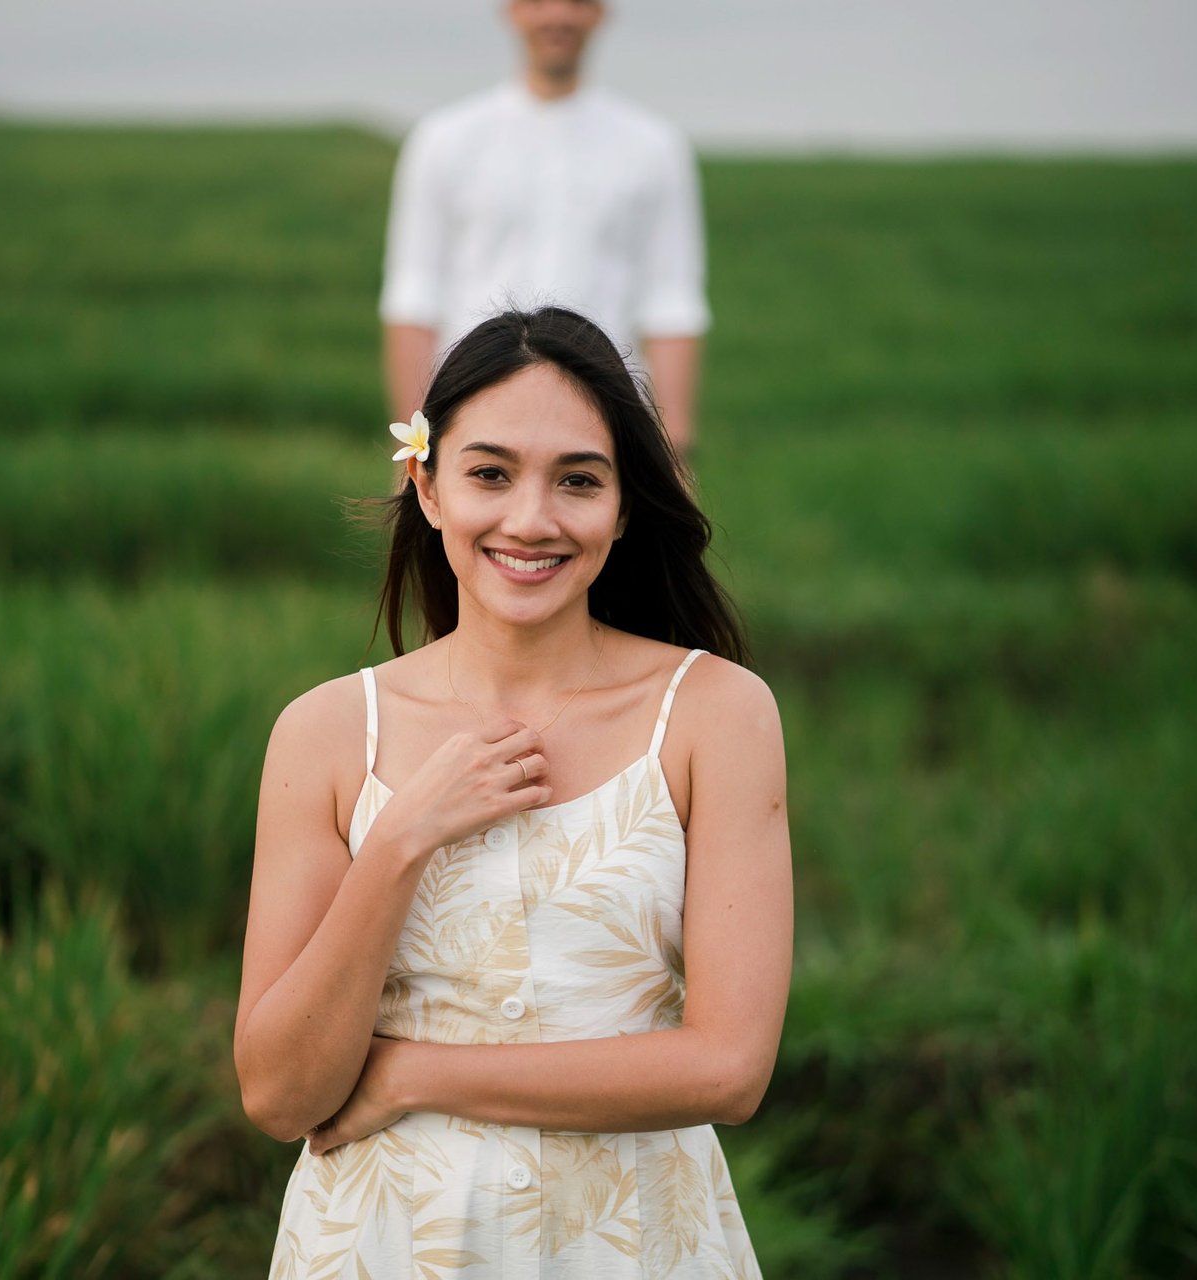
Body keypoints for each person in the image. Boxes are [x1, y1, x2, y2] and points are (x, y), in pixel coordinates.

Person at [236, 307, 791, 1276]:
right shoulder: (327, 733)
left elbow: (729, 1067)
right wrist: (403, 837)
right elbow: (281, 1094)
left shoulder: (715, 714)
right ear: (428, 484)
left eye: (578, 479)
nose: (531, 518)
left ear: (624, 506)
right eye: (490, 472)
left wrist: (413, 1071)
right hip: (386, 1245)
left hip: (636, 1243)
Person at [381, 0, 711, 456]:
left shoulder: (654, 147)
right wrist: (415, 442)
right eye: (538, 2)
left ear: (600, 13)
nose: (558, 16)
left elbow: (672, 301)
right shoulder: (444, 139)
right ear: (512, 11)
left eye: (578, 3)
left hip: (607, 410)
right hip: (470, 406)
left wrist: (674, 446)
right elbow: (414, 296)